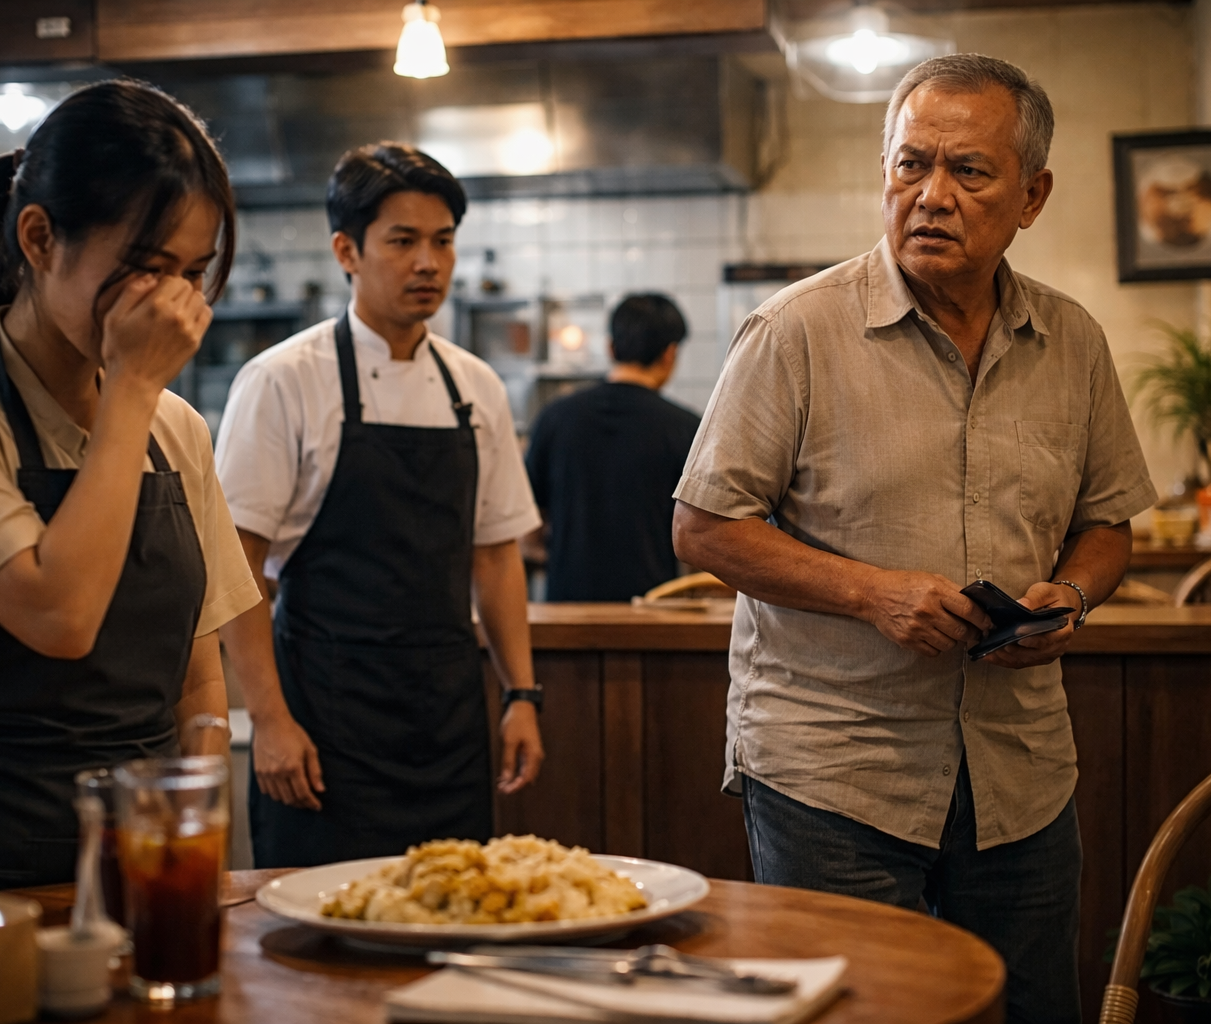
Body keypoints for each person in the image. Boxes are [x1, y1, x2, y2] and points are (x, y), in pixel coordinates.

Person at [671, 54, 1155, 1024]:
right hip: (835, 767)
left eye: (968, 171)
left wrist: (1074, 593)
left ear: (1033, 193)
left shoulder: (1074, 340)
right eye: (909, 165)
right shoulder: (796, 329)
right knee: (860, 1011)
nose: (931, 195)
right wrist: (873, 593)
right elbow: (702, 527)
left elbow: (1108, 522)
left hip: (1020, 765)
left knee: (1031, 1009)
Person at [0, 80, 260, 889]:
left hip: (143, 861)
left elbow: (198, 669)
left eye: (193, 271)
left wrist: (195, 806)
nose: (177, 304)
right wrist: (131, 394)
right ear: (40, 239)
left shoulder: (175, 426)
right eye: (147, 267)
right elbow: (60, 615)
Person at [215, 143, 544, 868]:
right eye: (403, 241)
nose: (428, 262)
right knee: (317, 947)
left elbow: (494, 556)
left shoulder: (475, 387)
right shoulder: (281, 381)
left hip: (448, 722)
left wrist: (521, 694)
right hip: (325, 724)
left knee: (457, 918)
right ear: (347, 250)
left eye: (442, 242)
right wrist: (268, 721)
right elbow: (236, 569)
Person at [525, 294, 701, 601]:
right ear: (670, 354)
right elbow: (698, 539)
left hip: (567, 613)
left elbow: (527, 533)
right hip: (652, 612)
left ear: (610, 348)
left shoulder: (554, 417)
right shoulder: (686, 428)